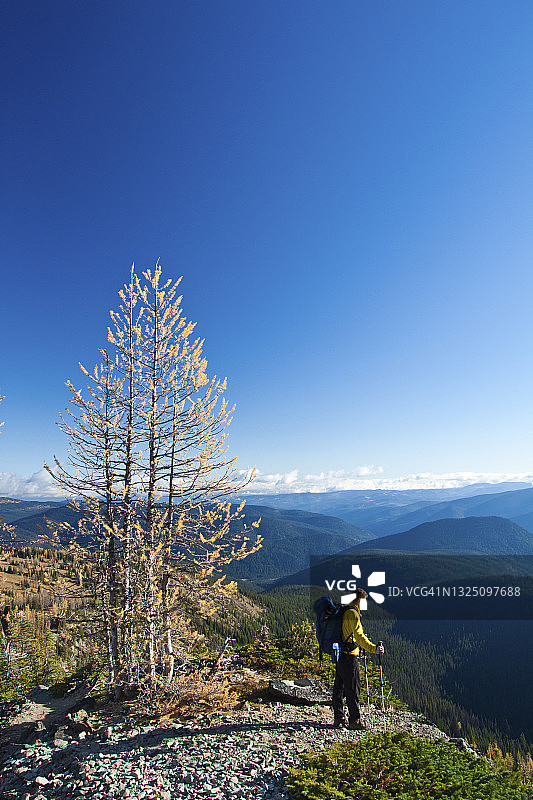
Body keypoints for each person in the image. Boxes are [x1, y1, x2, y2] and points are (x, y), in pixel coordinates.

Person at [332, 588, 385, 730]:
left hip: (341, 655)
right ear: (360, 599)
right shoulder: (353, 614)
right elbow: (360, 637)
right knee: (353, 689)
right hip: (350, 656)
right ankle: (354, 720)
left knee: (339, 687)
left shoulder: (345, 611)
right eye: (364, 600)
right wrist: (374, 649)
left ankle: (339, 717)